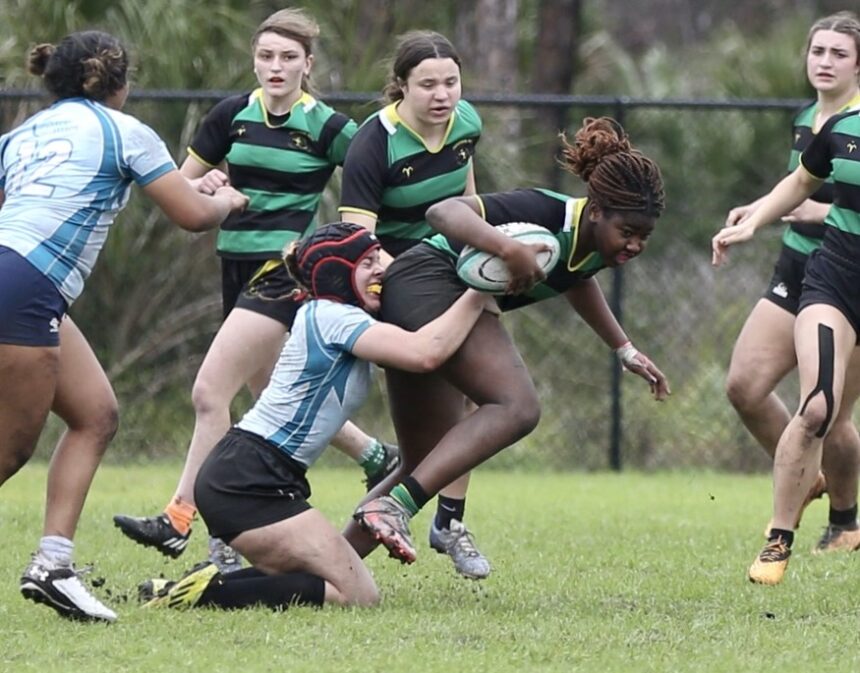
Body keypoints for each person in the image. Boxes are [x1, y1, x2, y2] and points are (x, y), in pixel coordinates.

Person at [112, 8, 396, 572]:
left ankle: (181, 518)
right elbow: (181, 186)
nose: (276, 66)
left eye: (289, 57)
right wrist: (210, 181)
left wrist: (358, 249)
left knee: (210, 394)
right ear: (254, 60)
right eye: (266, 55)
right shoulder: (231, 116)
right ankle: (374, 454)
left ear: (307, 65)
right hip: (235, 270)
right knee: (265, 397)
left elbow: (372, 172)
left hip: (282, 274)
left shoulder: (327, 125)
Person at [0, 30, 248, 622]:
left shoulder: (20, 136)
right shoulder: (124, 130)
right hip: (27, 288)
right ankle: (52, 566)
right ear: (119, 83)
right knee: (9, 450)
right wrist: (227, 201)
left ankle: (53, 566)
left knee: (95, 415)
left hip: (21, 280)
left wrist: (195, 183)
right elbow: (190, 217)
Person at [347, 116, 670, 565]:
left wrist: (625, 349)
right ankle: (395, 507)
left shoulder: (596, 248)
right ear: (596, 211)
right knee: (518, 406)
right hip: (423, 281)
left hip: (435, 298)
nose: (634, 245)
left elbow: (576, 279)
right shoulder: (546, 210)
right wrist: (507, 248)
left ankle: (329, 564)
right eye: (628, 232)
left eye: (644, 236)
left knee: (422, 461)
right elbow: (442, 213)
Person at [141, 223, 496, 611]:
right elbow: (425, 352)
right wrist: (479, 287)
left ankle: (185, 588)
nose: (381, 270)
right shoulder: (333, 317)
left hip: (252, 474)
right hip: (247, 478)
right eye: (368, 263)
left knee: (308, 576)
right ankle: (206, 595)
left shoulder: (328, 314)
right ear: (336, 273)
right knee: (359, 595)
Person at [712, 11, 860, 585]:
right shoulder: (828, 127)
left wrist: (813, 209)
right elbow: (799, 183)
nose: (823, 61)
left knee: (837, 416)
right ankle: (781, 536)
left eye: (836, 52)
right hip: (829, 273)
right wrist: (752, 221)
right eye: (816, 50)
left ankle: (845, 519)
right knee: (814, 404)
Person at [338, 30, 490, 579]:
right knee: (425, 442)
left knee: (483, 395)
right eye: (427, 84)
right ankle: (339, 549)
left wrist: (483, 249)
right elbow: (358, 244)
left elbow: (468, 198)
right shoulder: (373, 143)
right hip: (399, 282)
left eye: (451, 81)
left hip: (455, 269)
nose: (442, 94)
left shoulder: (467, 123)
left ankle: (449, 520)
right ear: (400, 86)